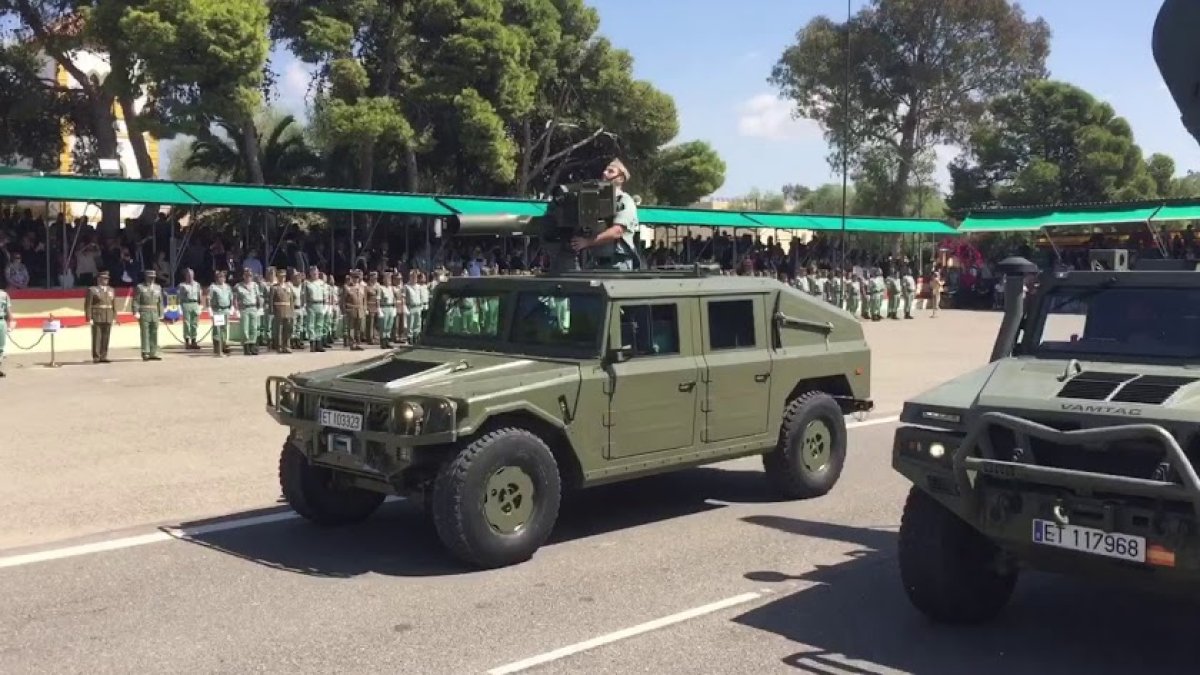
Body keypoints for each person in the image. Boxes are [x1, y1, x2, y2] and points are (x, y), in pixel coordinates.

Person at [569, 158, 641, 270]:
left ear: (620, 178)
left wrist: (587, 242)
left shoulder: (624, 200)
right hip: (596, 263)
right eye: (605, 170)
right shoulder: (596, 201)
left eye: (611, 171)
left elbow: (617, 231)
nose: (604, 173)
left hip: (617, 264)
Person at [84, 270, 116, 363]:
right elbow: (88, 305)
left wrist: (114, 317)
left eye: (107, 279)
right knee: (97, 337)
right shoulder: (92, 290)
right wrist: (88, 318)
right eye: (104, 279)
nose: (106, 280)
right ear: (99, 279)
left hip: (108, 315)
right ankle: (96, 356)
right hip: (97, 316)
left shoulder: (111, 290)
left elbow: (114, 304)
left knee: (106, 337)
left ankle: (104, 356)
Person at [132, 269, 164, 361]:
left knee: (154, 332)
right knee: (145, 333)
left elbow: (160, 302)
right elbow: (136, 300)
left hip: (154, 312)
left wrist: (161, 313)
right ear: (146, 277)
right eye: (150, 277)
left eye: (153, 277)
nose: (151, 279)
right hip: (144, 312)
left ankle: (154, 352)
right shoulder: (140, 287)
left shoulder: (158, 287)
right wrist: (135, 311)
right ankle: (145, 352)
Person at [234, 268, 263, 356]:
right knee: (244, 329)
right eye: (247, 275)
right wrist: (236, 310)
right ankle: (246, 347)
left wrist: (260, 308)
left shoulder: (255, 285)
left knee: (254, 328)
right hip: (244, 309)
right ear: (243, 276)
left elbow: (258, 297)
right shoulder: (238, 286)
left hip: (253, 308)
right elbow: (235, 299)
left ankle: (253, 346)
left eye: (250, 275)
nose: (248, 277)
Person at [208, 270, 234, 356]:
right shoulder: (213, 287)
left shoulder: (227, 287)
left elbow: (231, 298)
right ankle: (217, 349)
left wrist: (232, 307)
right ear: (216, 278)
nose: (222, 279)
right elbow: (209, 298)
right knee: (217, 331)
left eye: (223, 277)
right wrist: (209, 309)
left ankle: (223, 346)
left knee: (224, 329)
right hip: (217, 311)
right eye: (220, 277)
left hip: (226, 310)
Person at [269, 268, 295, 354]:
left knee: (287, 329)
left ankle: (287, 346)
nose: (282, 278)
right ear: (277, 277)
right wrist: (272, 311)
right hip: (279, 310)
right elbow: (271, 300)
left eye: (283, 276)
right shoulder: (274, 288)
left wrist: (292, 310)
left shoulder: (288, 287)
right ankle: (279, 346)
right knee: (279, 330)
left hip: (287, 310)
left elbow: (291, 300)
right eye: (280, 276)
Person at [302, 266, 327, 352]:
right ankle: (312, 343)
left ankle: (319, 343)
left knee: (319, 324)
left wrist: (325, 306)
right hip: (311, 304)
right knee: (311, 324)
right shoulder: (307, 283)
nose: (314, 274)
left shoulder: (321, 283)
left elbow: (325, 295)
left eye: (316, 273)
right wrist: (304, 306)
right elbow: (304, 295)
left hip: (320, 304)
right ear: (310, 273)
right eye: (313, 273)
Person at [177, 268, 203, 350]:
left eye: (191, 275)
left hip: (195, 304)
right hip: (186, 304)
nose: (190, 276)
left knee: (194, 323)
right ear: (185, 276)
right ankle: (187, 342)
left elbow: (200, 295)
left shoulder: (197, 284)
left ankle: (194, 341)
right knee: (187, 324)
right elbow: (179, 297)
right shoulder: (182, 285)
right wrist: (179, 306)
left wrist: (200, 305)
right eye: (188, 275)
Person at [341, 269, 367, 350]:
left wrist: (365, 309)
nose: (356, 279)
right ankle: (352, 344)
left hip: (360, 309)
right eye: (354, 277)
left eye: (357, 277)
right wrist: (344, 311)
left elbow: (364, 299)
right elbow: (343, 300)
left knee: (358, 328)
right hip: (351, 310)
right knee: (351, 328)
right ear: (351, 278)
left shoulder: (362, 287)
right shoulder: (347, 287)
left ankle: (358, 343)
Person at [378, 270, 397, 349]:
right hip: (384, 307)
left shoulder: (391, 288)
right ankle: (382, 342)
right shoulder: (381, 288)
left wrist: (395, 308)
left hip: (390, 307)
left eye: (389, 279)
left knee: (389, 325)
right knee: (384, 326)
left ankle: (387, 341)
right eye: (386, 279)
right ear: (383, 280)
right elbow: (378, 299)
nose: (388, 280)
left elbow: (394, 299)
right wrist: (379, 309)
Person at [0, 284, 11, 377]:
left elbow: (8, 312)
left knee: (1, 347)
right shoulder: (4, 295)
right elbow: (9, 313)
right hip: (1, 322)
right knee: (0, 347)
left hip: (1, 321)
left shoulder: (4, 295)